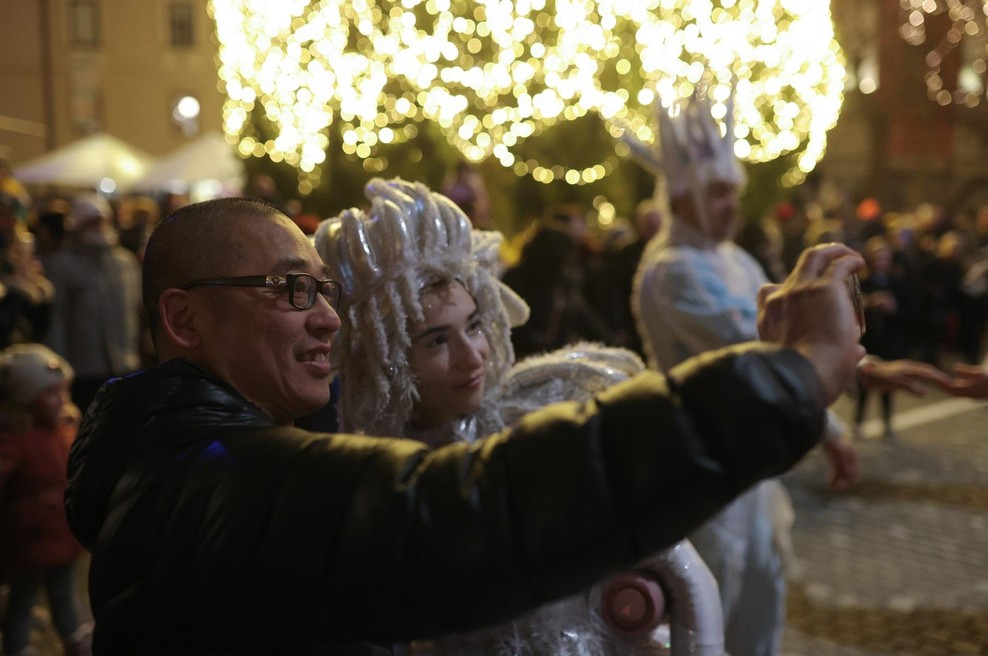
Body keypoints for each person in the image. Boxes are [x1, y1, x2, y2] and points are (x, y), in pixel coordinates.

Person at [65, 194, 865, 655]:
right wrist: (783, 378)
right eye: (287, 289)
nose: (326, 322)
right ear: (184, 318)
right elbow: (454, 519)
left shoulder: (201, 451)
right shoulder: (203, 473)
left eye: (324, 292)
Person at [314, 177, 723, 655]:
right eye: (438, 341)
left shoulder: (541, 427)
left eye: (473, 326)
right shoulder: (373, 489)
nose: (473, 356)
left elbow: (686, 574)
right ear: (387, 360)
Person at [630, 93, 859, 656]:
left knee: (762, 599)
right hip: (701, 471)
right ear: (682, 196)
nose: (732, 204)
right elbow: (759, 351)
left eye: (733, 190)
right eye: (717, 192)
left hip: (752, 467)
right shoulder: (672, 269)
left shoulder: (738, 260)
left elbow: (783, 347)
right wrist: (832, 422)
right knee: (706, 615)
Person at [0, 343, 90, 656]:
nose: (62, 400)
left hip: (62, 533)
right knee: (23, 599)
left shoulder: (64, 428)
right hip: (30, 540)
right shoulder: (14, 439)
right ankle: (18, 647)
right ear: (26, 397)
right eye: (51, 393)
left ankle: (76, 640)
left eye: (63, 391)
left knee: (65, 593)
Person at [41, 193, 142, 414]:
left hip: (124, 363)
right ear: (77, 225)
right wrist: (59, 366)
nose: (97, 226)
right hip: (83, 366)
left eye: (101, 220)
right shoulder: (60, 264)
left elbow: (137, 309)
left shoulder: (125, 262)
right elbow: (57, 319)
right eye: (90, 221)